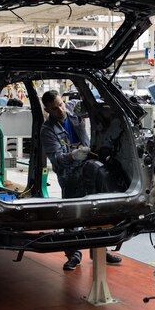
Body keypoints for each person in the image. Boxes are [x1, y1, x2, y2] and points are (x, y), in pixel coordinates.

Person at [40, 90, 122, 270]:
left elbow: (94, 106)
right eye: (55, 109)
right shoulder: (47, 131)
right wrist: (73, 155)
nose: (61, 110)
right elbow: (57, 159)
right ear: (47, 110)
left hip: (88, 166)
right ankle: (73, 254)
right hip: (68, 174)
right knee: (72, 214)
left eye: (61, 104)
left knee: (97, 208)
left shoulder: (72, 108)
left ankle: (100, 249)